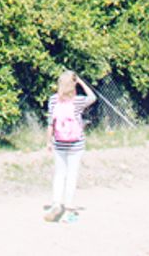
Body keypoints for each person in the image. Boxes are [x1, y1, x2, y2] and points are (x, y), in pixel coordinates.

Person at [44, 71, 96, 223]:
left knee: (59, 174)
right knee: (72, 175)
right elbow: (92, 97)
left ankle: (56, 204)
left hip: (59, 142)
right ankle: (69, 210)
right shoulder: (78, 101)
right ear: (73, 85)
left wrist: (48, 142)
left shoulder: (53, 100)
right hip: (76, 143)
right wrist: (81, 82)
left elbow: (50, 123)